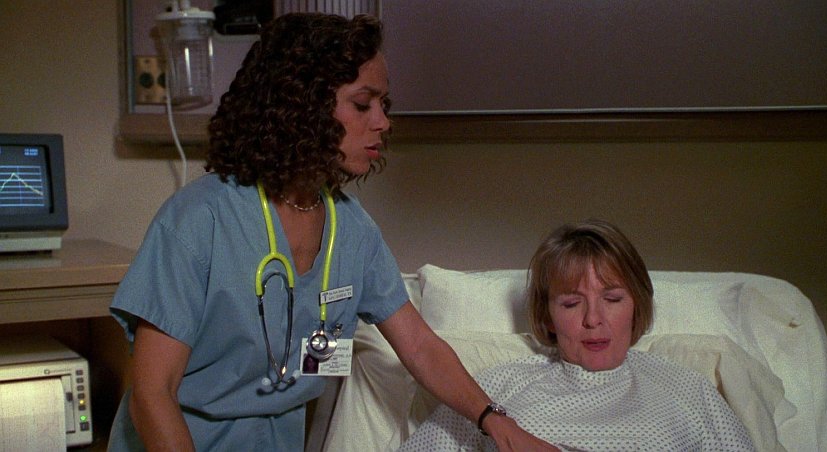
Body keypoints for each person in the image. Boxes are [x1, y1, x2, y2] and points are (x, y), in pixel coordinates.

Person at [107, 12, 555, 451]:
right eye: (362, 104)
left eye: (383, 105)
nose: (383, 122)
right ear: (302, 106)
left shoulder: (352, 230)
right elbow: (153, 392)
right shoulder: (200, 219)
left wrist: (495, 421)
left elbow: (420, 346)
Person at [399, 220, 756, 451]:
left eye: (612, 300)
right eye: (571, 304)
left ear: (636, 306)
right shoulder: (492, 393)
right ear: (548, 316)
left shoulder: (688, 391)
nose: (593, 319)